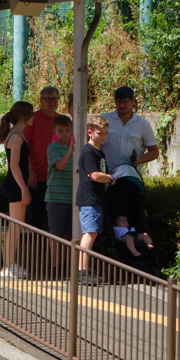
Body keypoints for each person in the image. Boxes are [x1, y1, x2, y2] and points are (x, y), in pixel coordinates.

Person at [0, 101, 35, 279]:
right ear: (23, 116)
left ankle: (10, 264)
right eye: (31, 114)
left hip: (15, 184)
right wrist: (24, 188)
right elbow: (14, 165)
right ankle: (8, 266)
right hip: (15, 184)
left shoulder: (17, 134)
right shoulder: (17, 136)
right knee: (15, 227)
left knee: (16, 226)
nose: (34, 117)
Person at [77, 115, 115, 286]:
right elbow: (94, 175)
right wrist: (111, 178)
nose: (103, 137)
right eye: (100, 133)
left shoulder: (99, 152)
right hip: (89, 198)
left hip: (96, 198)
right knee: (90, 233)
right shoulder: (88, 151)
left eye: (106, 133)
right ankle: (82, 271)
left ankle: (85, 269)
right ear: (90, 133)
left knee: (92, 233)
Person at [24, 86, 61, 231]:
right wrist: (30, 173)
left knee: (55, 219)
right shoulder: (32, 120)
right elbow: (24, 148)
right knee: (35, 218)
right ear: (41, 100)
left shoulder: (61, 120)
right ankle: (33, 249)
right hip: (36, 178)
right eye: (48, 99)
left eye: (54, 99)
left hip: (55, 177)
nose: (51, 102)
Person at [101, 86, 158, 171]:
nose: (121, 105)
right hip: (105, 175)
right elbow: (90, 143)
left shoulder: (143, 124)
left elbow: (154, 152)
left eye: (125, 101)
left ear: (133, 101)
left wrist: (140, 160)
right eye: (118, 102)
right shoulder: (104, 120)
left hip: (131, 176)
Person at [46, 115, 75, 248]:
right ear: (54, 131)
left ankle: (67, 264)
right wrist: (71, 150)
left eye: (67, 130)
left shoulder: (74, 149)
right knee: (56, 233)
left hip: (71, 197)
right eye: (61, 130)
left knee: (69, 234)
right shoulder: (52, 148)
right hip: (56, 197)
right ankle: (55, 266)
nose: (64, 133)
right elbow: (60, 165)